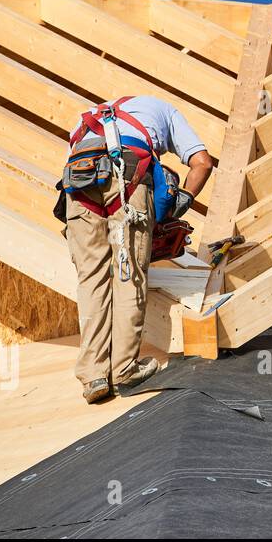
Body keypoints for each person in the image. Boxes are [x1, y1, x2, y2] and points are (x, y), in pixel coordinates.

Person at [63, 95, 213, 403]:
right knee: (127, 272)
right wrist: (184, 197)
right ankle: (124, 371)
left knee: (91, 280)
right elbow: (203, 161)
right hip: (128, 180)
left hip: (77, 185)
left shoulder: (86, 119)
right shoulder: (165, 110)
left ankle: (93, 375)